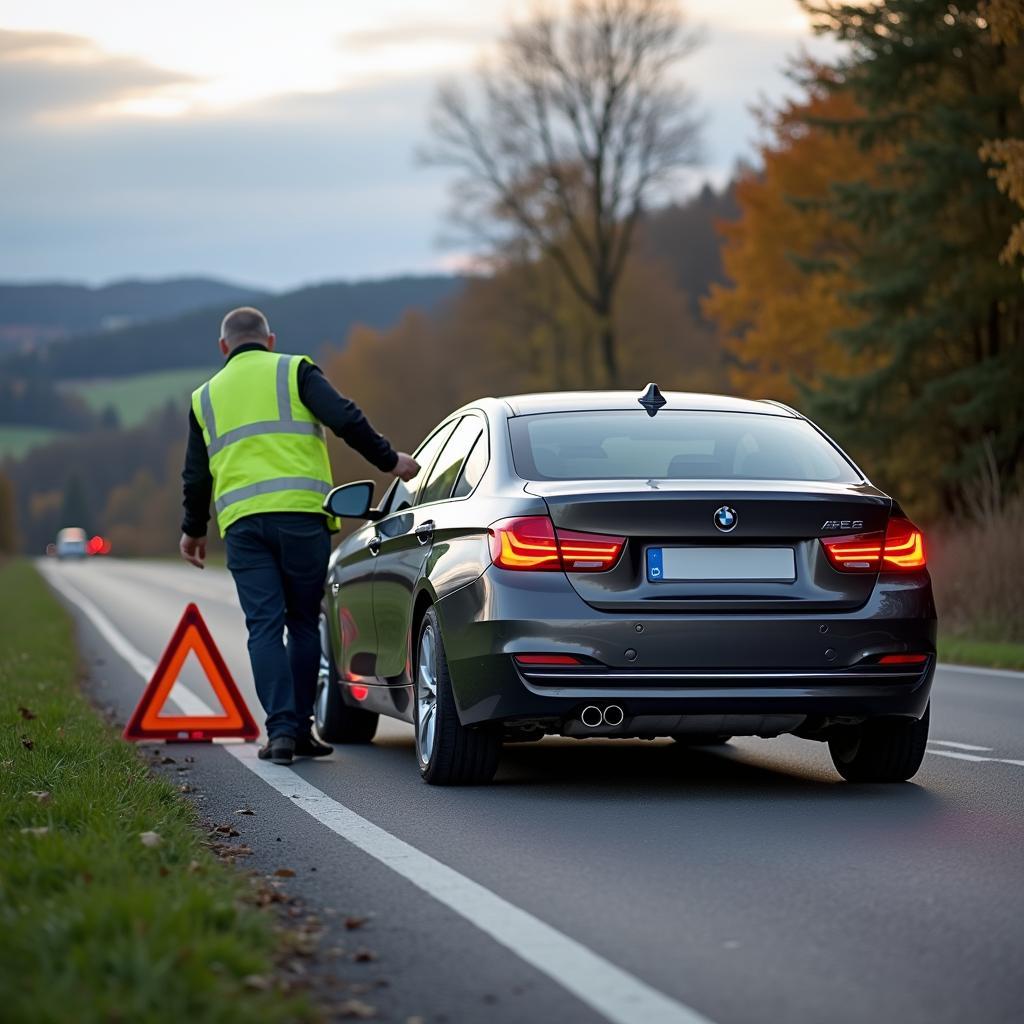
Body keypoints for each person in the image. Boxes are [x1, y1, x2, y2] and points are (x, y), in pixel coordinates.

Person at [179, 307, 418, 765]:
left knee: (263, 626)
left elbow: (195, 476)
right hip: (303, 518)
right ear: (270, 339)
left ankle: (282, 732)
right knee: (304, 623)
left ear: (223, 348)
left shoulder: (204, 397)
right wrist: (390, 461)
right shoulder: (294, 370)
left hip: (244, 525)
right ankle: (302, 728)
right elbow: (344, 419)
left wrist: (193, 530)